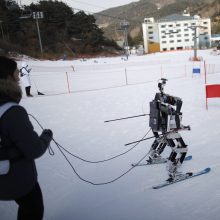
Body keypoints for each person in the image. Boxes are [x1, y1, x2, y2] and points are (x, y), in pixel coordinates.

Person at [0, 56, 53, 220]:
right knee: (32, 207)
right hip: (15, 179)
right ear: (8, 77)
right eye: (16, 72)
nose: (18, 75)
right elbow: (33, 149)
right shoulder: (12, 112)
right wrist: (46, 137)